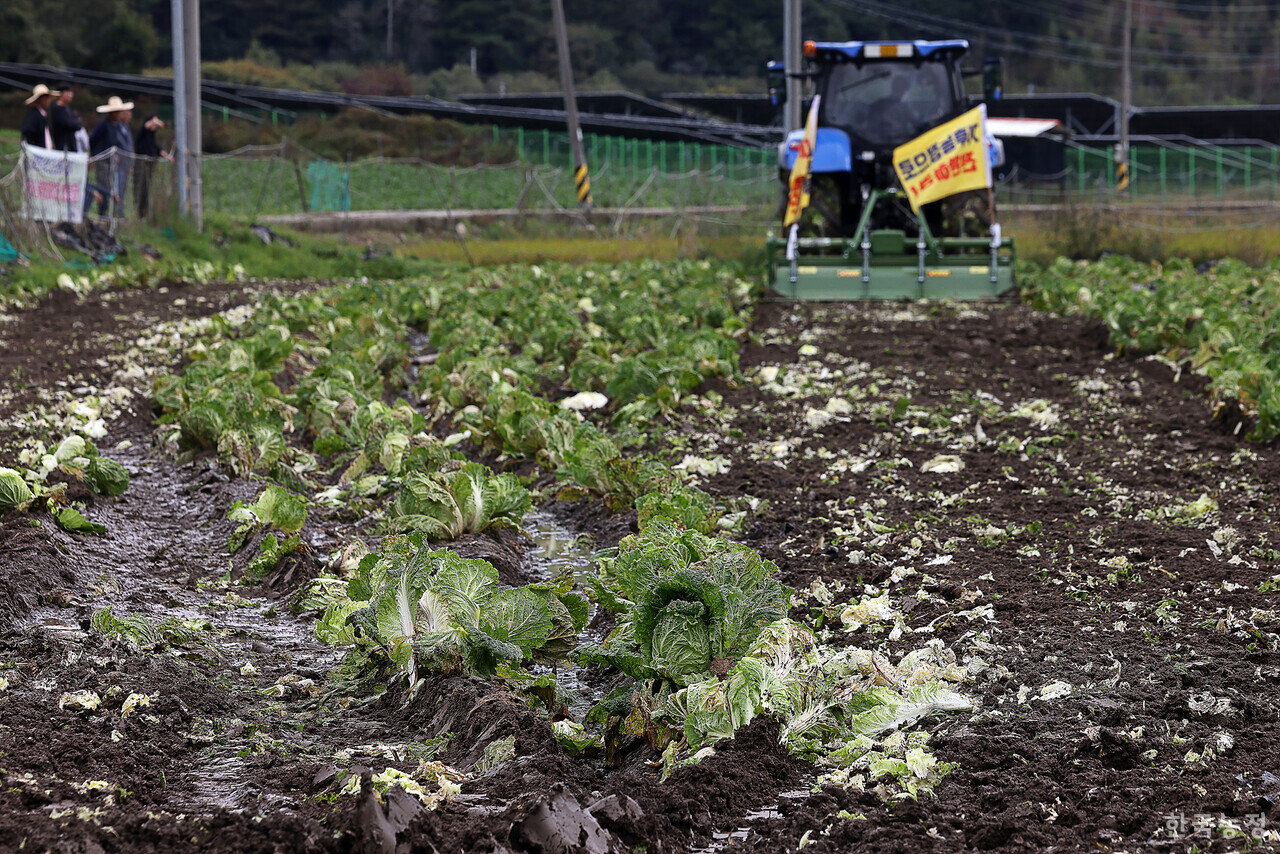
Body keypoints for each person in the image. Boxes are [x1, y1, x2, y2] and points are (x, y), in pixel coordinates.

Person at [88, 96, 135, 217]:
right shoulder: (103, 125)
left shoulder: (116, 126)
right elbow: (93, 139)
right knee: (104, 186)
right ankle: (102, 213)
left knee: (110, 187)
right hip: (102, 160)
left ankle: (109, 212)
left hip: (111, 161)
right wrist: (97, 154)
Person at [133, 114, 172, 219]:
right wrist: (159, 123)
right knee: (139, 188)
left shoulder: (151, 136)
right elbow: (148, 125)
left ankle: (142, 213)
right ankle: (136, 212)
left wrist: (168, 157)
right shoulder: (144, 131)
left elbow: (157, 149)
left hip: (150, 164)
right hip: (141, 164)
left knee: (146, 189)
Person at [20, 84, 59, 149]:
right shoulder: (34, 116)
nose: (47, 101)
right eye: (44, 98)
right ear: (38, 100)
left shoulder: (43, 116)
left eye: (48, 98)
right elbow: (27, 134)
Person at [49, 82, 83, 152]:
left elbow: (78, 125)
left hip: (72, 147)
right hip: (62, 148)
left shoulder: (68, 109)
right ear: (61, 93)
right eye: (67, 92)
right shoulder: (56, 108)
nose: (70, 95)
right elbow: (68, 124)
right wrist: (76, 122)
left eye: (71, 92)